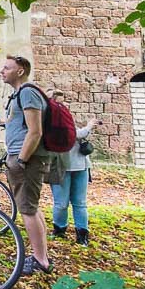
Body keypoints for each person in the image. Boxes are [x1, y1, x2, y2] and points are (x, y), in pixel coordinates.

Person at [0, 55, 54, 276]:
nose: (2, 71)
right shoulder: (19, 94)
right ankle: (42, 256)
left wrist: (21, 159)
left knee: (27, 209)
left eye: (6, 67)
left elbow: (35, 131)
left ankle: (40, 260)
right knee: (30, 207)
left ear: (20, 71)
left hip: (28, 159)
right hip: (24, 157)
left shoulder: (28, 92)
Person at [47, 90, 100, 247]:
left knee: (80, 202)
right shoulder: (50, 120)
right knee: (61, 203)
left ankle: (82, 234)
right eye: (59, 102)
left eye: (64, 102)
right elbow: (73, 134)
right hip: (61, 166)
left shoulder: (67, 117)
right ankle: (59, 230)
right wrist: (89, 126)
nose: (64, 105)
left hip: (81, 165)